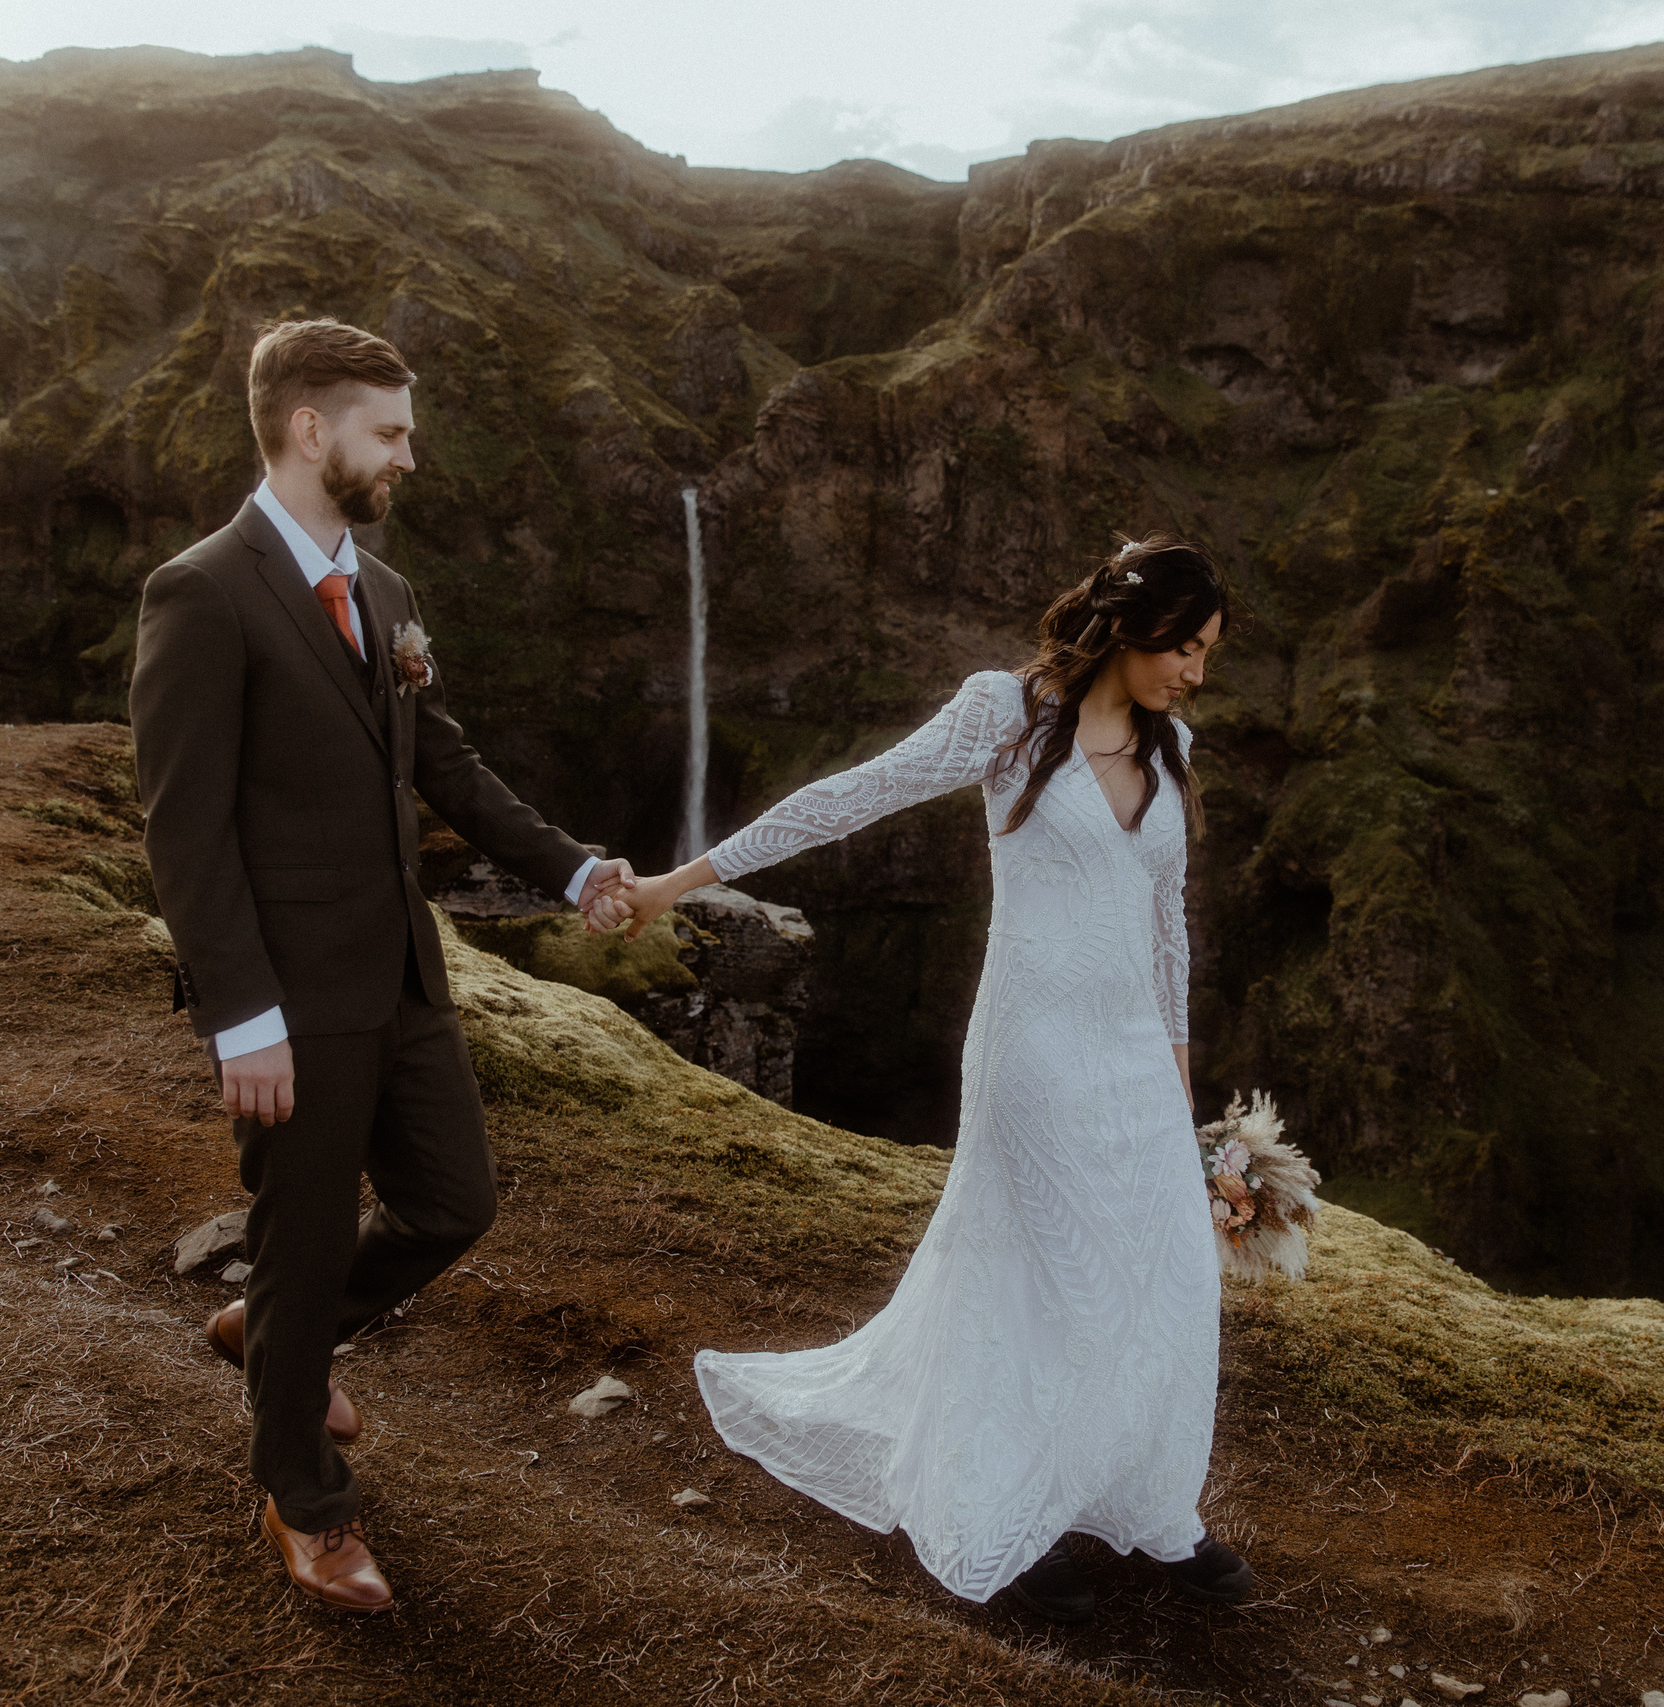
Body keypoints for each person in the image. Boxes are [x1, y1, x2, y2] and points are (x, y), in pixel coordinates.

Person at [619, 536, 1251, 1622]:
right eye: (1183, 648)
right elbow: (848, 798)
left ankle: (1151, 1507)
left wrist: (1179, 1089)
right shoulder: (1007, 716)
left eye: (1204, 654)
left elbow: (1166, 932)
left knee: (1170, 1275)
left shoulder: (1172, 742)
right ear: (1130, 627)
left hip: (1133, 1057)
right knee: (1043, 1272)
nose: (1195, 673)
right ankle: (1003, 1507)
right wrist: (679, 882)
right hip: (1034, 1048)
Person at [129, 317, 634, 1613]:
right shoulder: (203, 591)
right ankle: (305, 1498)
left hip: (405, 976)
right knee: (298, 1241)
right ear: (313, 429)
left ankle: (276, 1338)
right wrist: (241, 1016)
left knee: (454, 1198)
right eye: (392, 430)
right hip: (287, 1001)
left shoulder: (390, 595)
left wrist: (575, 871)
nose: (411, 456)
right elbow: (185, 830)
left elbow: (448, 764)